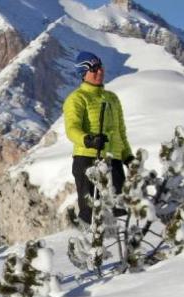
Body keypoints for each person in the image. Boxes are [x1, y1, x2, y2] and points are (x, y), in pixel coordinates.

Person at [63, 51, 133, 224]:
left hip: (113, 160)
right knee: (91, 212)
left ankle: (120, 240)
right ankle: (87, 239)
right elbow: (71, 129)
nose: (99, 71)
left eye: (100, 67)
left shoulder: (112, 98)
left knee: (120, 209)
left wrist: (128, 156)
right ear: (83, 73)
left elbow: (120, 132)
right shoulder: (77, 99)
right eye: (94, 69)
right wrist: (89, 140)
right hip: (87, 159)